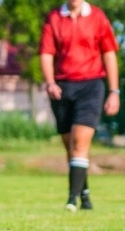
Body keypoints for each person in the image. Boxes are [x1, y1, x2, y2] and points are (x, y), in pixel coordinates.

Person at [39, 0, 119, 211]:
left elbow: (109, 54)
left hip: (91, 86)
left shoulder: (98, 17)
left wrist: (114, 91)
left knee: (80, 142)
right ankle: (84, 194)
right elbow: (47, 54)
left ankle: (72, 200)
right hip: (62, 87)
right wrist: (50, 82)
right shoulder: (54, 18)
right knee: (70, 147)